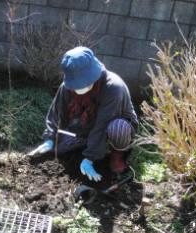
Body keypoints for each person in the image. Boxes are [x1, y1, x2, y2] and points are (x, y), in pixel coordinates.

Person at [29, 46, 138, 182]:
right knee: (60, 150)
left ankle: (116, 158)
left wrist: (90, 158)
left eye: (83, 83)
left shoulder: (113, 88)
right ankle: (89, 146)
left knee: (118, 128)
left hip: (114, 123)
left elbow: (102, 124)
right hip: (87, 125)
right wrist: (50, 138)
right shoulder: (67, 87)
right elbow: (57, 112)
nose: (79, 88)